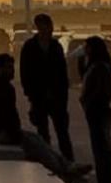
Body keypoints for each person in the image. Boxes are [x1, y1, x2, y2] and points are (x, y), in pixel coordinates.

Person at [0, 53, 92, 177]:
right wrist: (15, 134)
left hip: (1, 131)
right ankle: (62, 170)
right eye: (9, 68)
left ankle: (67, 165)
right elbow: (4, 117)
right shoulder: (1, 88)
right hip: (0, 133)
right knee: (37, 147)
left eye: (12, 67)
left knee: (38, 139)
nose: (12, 71)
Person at [19, 13, 75, 163]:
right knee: (43, 133)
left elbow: (62, 72)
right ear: (38, 27)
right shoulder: (30, 47)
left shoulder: (56, 46)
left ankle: (68, 162)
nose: (48, 29)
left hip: (57, 97)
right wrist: (30, 94)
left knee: (62, 132)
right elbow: (25, 71)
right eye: (44, 26)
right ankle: (48, 162)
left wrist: (63, 93)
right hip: (39, 97)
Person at [81, 35, 111, 183]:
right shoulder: (96, 66)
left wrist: (89, 102)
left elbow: (100, 91)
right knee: (101, 147)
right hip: (96, 110)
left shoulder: (99, 67)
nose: (85, 50)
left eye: (87, 47)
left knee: (102, 148)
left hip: (98, 111)